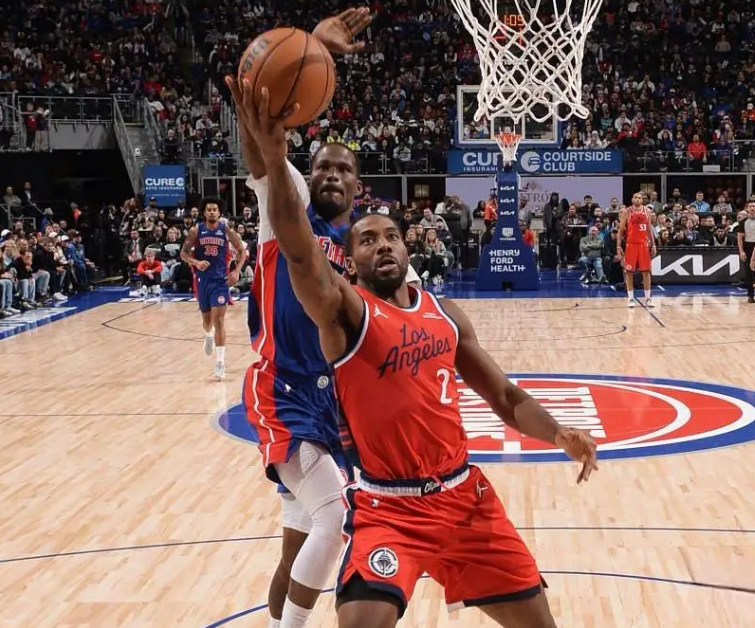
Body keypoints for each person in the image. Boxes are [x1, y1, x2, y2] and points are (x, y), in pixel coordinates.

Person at [234, 80, 598, 628]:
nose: (381, 243)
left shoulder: (444, 313)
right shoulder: (344, 311)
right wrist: (274, 153)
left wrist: (558, 432)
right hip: (386, 504)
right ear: (348, 263)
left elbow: (504, 396)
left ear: (409, 247)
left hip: (463, 498)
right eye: (367, 240)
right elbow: (298, 250)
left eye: (391, 236)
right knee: (332, 551)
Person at [225, 10, 421, 628]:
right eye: (322, 167)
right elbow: (261, 148)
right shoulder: (287, 210)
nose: (330, 174)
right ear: (307, 177)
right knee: (336, 517)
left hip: (333, 403)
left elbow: (408, 317)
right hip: (283, 388)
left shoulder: (366, 246)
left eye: (343, 169)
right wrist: (311, 47)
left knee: (299, 543)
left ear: (358, 185)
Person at [179, 199, 246, 379]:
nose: (212, 212)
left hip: (221, 282)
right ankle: (208, 335)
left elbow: (242, 251)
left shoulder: (226, 230)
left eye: (214, 209)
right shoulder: (196, 231)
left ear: (219, 212)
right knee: (207, 321)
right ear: (204, 212)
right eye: (209, 210)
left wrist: (237, 271)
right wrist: (196, 262)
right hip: (203, 281)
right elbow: (183, 253)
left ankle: (220, 363)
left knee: (220, 321)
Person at [616, 192, 657, 307]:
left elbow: (649, 229)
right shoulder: (627, 211)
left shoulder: (647, 211)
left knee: (646, 271)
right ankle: (630, 298)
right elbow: (621, 230)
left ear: (642, 200)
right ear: (632, 199)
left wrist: (653, 244)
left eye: (639, 198)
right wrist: (618, 246)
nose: (638, 199)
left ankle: (648, 298)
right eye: (635, 197)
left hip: (643, 245)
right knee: (629, 272)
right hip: (631, 244)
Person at [737, 201, 755, 303]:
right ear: (747, 209)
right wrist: (741, 251)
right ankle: (750, 295)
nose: (752, 208)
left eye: (754, 206)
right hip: (748, 246)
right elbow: (740, 238)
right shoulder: (743, 222)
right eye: (750, 206)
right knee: (748, 273)